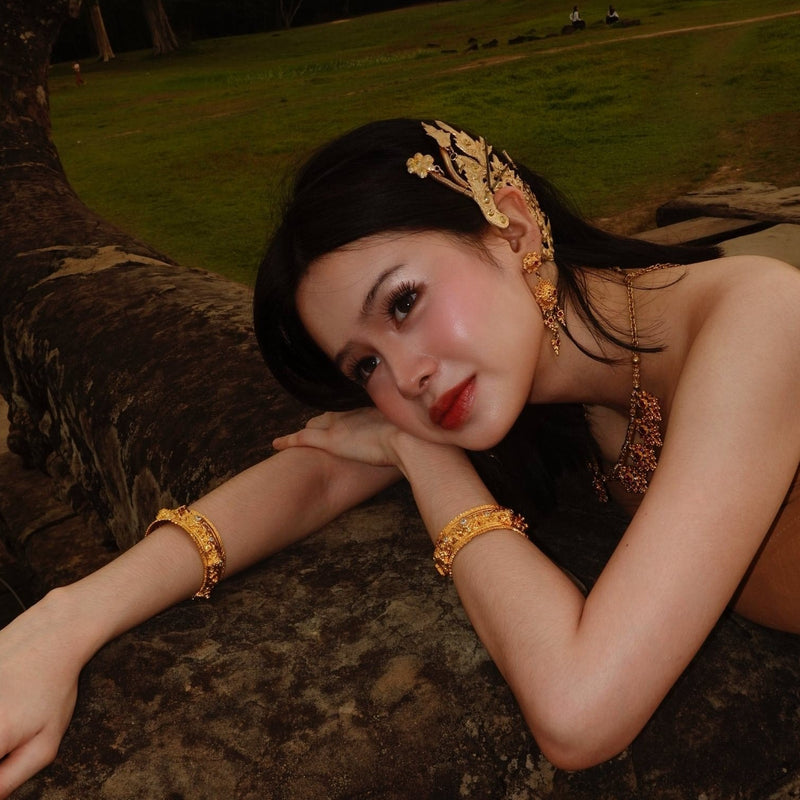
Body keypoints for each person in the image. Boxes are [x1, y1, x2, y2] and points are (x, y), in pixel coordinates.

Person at [0, 117, 798, 794]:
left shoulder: (760, 323)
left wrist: (427, 463)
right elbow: (314, 472)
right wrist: (65, 624)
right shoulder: (549, 382)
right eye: (365, 365)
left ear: (512, 227)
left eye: (406, 302)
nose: (405, 376)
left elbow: (581, 710)